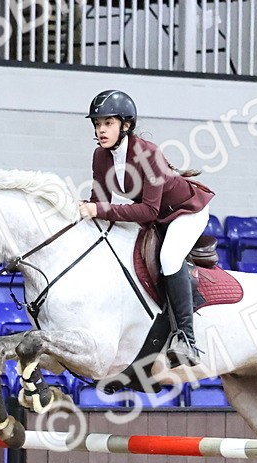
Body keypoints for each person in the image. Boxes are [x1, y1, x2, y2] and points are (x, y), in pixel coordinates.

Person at [79, 89, 215, 368]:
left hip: (185, 212)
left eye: (108, 123)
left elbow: (149, 210)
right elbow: (99, 204)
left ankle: (186, 339)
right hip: (154, 217)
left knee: (169, 258)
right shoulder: (100, 157)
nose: (100, 130)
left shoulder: (148, 153)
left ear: (125, 125)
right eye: (97, 124)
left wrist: (99, 210)